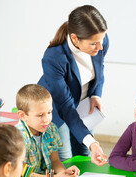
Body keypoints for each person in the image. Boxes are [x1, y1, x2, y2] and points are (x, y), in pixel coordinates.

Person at [38, 5, 109, 166]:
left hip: (84, 105)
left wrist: (95, 94)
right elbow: (65, 107)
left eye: (102, 41)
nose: (100, 47)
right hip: (58, 109)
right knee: (65, 161)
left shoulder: (99, 40)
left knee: (85, 153)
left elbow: (100, 69)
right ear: (75, 38)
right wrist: (93, 142)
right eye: (94, 44)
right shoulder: (54, 57)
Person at [15, 84, 80, 177]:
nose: (47, 119)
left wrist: (64, 173)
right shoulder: (17, 137)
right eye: (40, 115)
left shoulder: (51, 128)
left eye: (49, 112)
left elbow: (54, 160)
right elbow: (21, 174)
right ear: (23, 116)